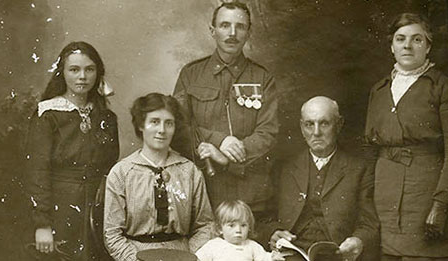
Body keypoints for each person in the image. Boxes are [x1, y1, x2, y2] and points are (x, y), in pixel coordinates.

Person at [364, 13, 448, 260]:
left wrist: (440, 205)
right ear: (391, 46)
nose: (407, 46)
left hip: (427, 197)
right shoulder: (379, 90)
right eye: (400, 39)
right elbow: (369, 148)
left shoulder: (445, 89)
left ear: (428, 46)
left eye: (417, 40)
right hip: (386, 199)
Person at [172, 0, 279, 220]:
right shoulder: (191, 74)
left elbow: (268, 133)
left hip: (249, 193)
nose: (232, 33)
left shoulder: (262, 78)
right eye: (224, 25)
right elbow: (178, 128)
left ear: (249, 33)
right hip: (201, 189)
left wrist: (226, 159)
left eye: (240, 26)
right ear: (213, 31)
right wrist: (219, 140)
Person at [24, 41, 120, 260]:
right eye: (74, 70)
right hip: (60, 208)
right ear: (62, 73)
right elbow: (37, 171)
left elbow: (112, 168)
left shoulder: (106, 117)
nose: (82, 76)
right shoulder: (48, 114)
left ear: (98, 73)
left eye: (89, 69)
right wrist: (42, 224)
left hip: (98, 207)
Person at [103, 93, 214, 261]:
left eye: (169, 123)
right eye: (154, 122)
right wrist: (134, 259)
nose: (162, 130)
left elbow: (205, 225)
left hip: (182, 254)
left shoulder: (189, 171)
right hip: (136, 254)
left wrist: (189, 256)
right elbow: (111, 233)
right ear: (141, 125)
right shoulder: (122, 172)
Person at [268, 96, 379, 261]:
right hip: (291, 255)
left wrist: (358, 240)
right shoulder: (285, 167)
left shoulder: (359, 168)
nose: (316, 132)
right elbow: (265, 217)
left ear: (339, 124)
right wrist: (273, 232)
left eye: (324, 123)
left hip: (337, 255)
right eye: (309, 124)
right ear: (301, 127)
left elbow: (369, 224)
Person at [195, 200, 287, 261]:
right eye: (231, 225)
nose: (238, 230)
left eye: (243, 225)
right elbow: (198, 259)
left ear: (249, 227)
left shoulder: (252, 246)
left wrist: (272, 257)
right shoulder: (213, 245)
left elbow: (264, 257)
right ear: (220, 228)